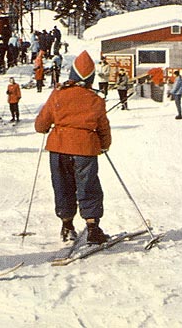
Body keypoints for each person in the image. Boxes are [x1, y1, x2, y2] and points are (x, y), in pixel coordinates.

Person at [34, 50, 112, 245]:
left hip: (59, 148)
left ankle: (67, 226)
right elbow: (103, 127)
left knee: (62, 186)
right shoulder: (96, 100)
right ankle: (93, 227)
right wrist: (104, 145)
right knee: (88, 186)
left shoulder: (58, 94)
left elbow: (41, 125)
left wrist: (47, 127)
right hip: (85, 150)